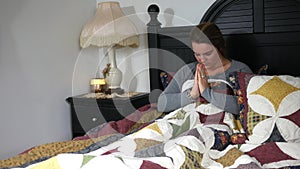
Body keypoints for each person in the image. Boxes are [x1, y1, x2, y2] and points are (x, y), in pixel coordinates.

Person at [157, 22, 252, 113]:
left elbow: (246, 106)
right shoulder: (188, 71)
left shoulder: (240, 70)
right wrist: (191, 95)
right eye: (197, 54)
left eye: (208, 54)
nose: (202, 59)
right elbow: (161, 104)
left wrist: (206, 92)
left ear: (219, 47)